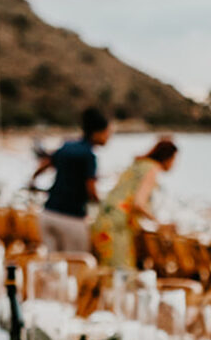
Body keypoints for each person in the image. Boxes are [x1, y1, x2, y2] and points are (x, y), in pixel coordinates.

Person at [34, 106, 110, 255]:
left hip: (48, 214)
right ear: (97, 132)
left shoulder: (67, 146)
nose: (108, 137)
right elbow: (91, 189)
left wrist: (33, 180)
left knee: (52, 267)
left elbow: (46, 163)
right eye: (108, 132)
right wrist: (103, 206)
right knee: (76, 267)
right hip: (71, 219)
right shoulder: (89, 156)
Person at [91, 138, 177, 269]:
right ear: (168, 158)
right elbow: (139, 203)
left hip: (103, 221)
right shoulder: (152, 169)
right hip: (117, 226)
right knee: (121, 271)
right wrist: (159, 223)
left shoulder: (139, 165)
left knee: (108, 270)